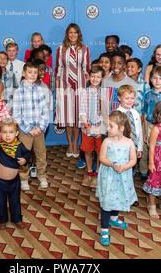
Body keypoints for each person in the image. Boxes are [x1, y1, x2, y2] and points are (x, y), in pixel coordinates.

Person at [96, 111, 137, 246]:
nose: (107, 128)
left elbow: (133, 160)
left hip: (123, 176)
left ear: (121, 128)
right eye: (107, 125)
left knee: (119, 196)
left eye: (110, 126)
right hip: (108, 176)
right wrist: (113, 165)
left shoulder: (129, 142)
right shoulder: (107, 141)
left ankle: (114, 218)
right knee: (108, 201)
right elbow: (102, 158)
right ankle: (104, 229)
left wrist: (125, 167)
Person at [0, 118, 32, 229]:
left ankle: (17, 219)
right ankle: (2, 219)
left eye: (11, 132)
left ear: (16, 133)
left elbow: (28, 154)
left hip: (14, 181)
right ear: (0, 133)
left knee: (15, 201)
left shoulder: (20, 145)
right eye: (4, 132)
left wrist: (25, 159)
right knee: (0, 201)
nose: (7, 135)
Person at [54, 23, 90, 158]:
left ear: (78, 34)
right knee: (67, 116)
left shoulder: (84, 49)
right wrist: (58, 87)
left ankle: (76, 143)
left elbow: (86, 69)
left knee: (77, 116)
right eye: (70, 32)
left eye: (75, 32)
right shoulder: (61, 49)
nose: (73, 35)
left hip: (80, 86)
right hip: (65, 86)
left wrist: (86, 87)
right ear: (67, 34)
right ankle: (70, 144)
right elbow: (58, 68)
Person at [13, 62, 50, 191]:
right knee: (24, 155)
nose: (33, 75)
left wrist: (40, 127)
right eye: (30, 72)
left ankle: (42, 175)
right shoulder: (18, 92)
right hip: (25, 131)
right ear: (24, 73)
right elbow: (17, 114)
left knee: (41, 154)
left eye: (35, 72)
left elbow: (45, 111)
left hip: (39, 129)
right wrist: (29, 129)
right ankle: (23, 178)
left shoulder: (41, 90)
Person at [79, 65, 105, 188]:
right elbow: (82, 110)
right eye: (93, 76)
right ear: (89, 77)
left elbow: (105, 112)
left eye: (98, 77)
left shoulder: (104, 93)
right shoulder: (84, 92)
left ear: (102, 78)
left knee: (100, 151)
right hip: (87, 128)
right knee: (88, 151)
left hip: (100, 128)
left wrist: (101, 128)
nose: (95, 79)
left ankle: (98, 173)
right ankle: (89, 172)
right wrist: (86, 124)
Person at [102, 50, 140, 126]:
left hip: (125, 124)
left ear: (124, 65)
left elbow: (134, 106)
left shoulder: (131, 83)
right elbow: (103, 103)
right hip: (109, 124)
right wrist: (106, 121)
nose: (116, 66)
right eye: (113, 63)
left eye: (119, 63)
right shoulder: (105, 82)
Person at [117, 85, 143, 165]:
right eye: (127, 98)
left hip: (134, 147)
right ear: (119, 98)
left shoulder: (135, 113)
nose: (130, 101)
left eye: (132, 98)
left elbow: (139, 131)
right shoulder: (117, 114)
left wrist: (139, 148)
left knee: (131, 167)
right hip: (120, 148)